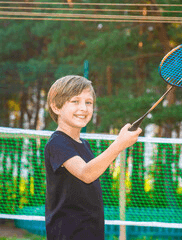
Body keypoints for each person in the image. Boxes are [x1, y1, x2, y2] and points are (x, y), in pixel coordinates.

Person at [44, 75, 142, 239]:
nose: (84, 108)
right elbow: (86, 173)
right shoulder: (57, 143)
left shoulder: (84, 144)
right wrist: (119, 144)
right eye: (75, 101)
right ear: (56, 106)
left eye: (88, 102)